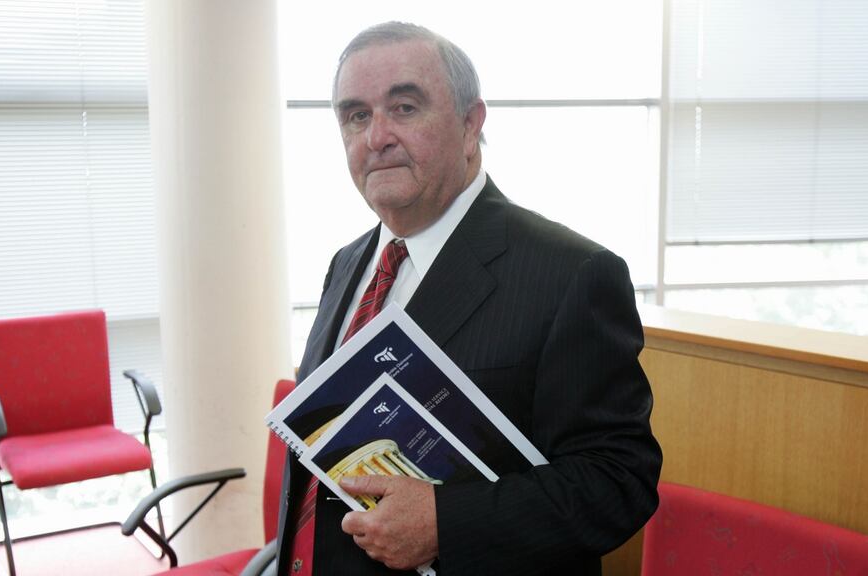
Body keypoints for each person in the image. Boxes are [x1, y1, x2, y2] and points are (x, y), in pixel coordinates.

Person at [276, 21, 662, 576]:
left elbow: (617, 479)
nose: (376, 136)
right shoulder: (346, 264)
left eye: (404, 107)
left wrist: (445, 525)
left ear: (470, 124)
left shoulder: (572, 272)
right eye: (356, 115)